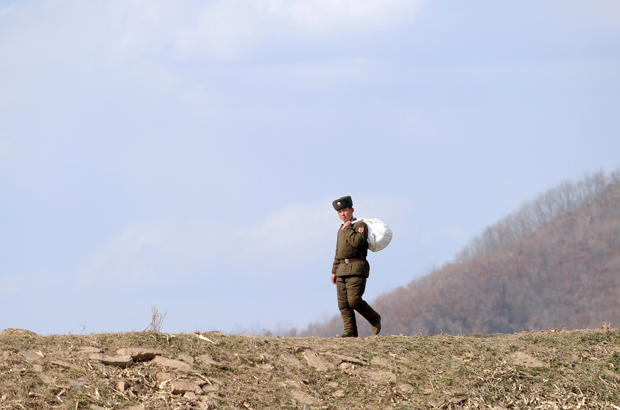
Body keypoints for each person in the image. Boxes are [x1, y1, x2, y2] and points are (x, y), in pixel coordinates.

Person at [331, 195, 381, 337]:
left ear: (352, 210)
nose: (342, 214)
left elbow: (358, 243)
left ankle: (374, 319)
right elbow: (338, 252)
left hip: (356, 268)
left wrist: (347, 229)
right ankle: (350, 332)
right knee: (343, 304)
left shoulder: (360, 225)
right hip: (342, 270)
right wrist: (334, 271)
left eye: (345, 210)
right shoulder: (341, 229)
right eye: (339, 212)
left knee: (354, 300)